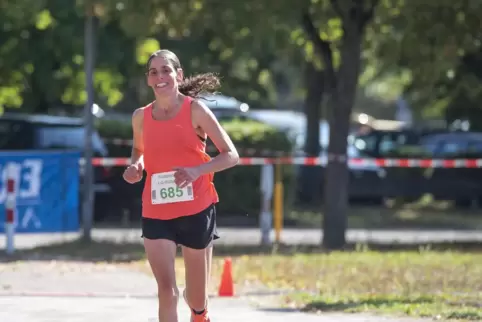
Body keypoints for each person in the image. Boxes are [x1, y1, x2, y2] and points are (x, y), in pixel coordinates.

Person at [122, 49, 239, 322]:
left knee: (197, 300)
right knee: (166, 290)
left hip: (196, 208)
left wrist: (197, 170)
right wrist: (136, 167)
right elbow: (139, 150)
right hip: (157, 210)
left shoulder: (195, 110)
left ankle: (199, 312)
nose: (160, 76)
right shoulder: (140, 116)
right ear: (148, 80)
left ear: (179, 75)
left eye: (166, 70)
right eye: (154, 72)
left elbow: (231, 155)